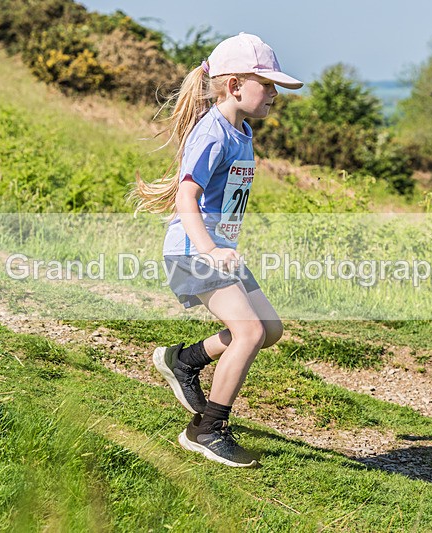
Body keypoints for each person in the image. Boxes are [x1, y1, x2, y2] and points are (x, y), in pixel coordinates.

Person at [128, 33, 303, 467]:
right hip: (194, 251)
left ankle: (184, 361)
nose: (275, 95)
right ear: (235, 85)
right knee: (249, 333)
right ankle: (207, 430)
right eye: (268, 84)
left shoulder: (239, 130)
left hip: (217, 248)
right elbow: (186, 198)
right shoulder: (212, 133)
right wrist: (209, 248)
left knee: (269, 329)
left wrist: (222, 245)